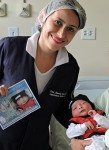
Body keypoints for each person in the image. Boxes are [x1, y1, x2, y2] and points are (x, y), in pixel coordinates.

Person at [0, 0, 86, 150]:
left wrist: (85, 127)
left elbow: (63, 110)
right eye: (58, 22)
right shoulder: (9, 48)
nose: (61, 34)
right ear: (43, 17)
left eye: (71, 29)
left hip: (37, 144)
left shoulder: (70, 68)